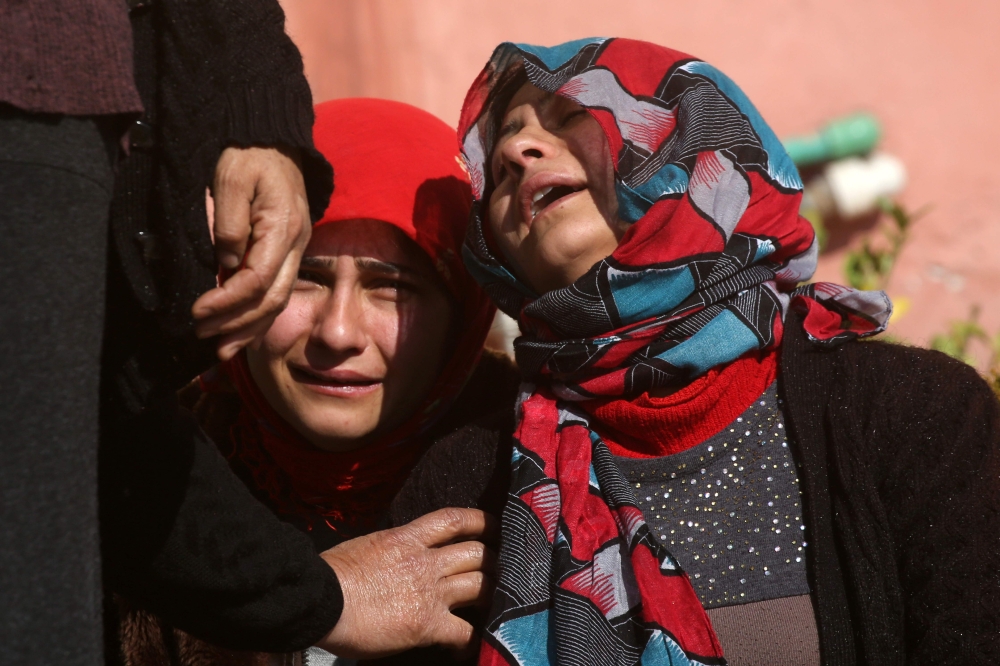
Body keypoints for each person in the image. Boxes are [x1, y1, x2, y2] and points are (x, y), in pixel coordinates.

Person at [391, 38, 1000, 665]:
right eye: (498, 162)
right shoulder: (465, 480)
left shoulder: (912, 413)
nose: (518, 152)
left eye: (573, 114)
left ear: (689, 139)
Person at [112, 98, 520, 665]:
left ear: (463, 316)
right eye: (303, 278)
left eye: (392, 287)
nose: (337, 332)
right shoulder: (135, 475)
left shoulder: (545, 488)